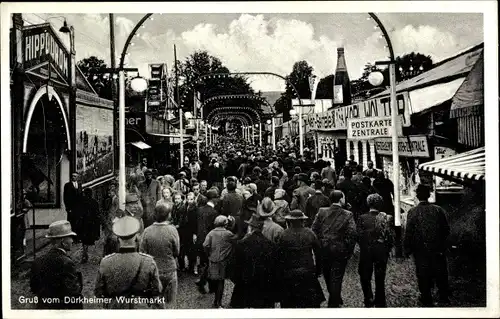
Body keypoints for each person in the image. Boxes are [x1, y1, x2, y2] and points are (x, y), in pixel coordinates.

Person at [95, 216, 163, 309]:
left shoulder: (106, 262)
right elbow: (156, 291)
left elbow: (98, 292)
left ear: (118, 239)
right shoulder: (148, 261)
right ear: (136, 238)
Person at [404, 184, 451, 307]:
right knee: (440, 272)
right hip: (437, 248)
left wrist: (407, 248)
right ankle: (443, 297)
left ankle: (426, 297)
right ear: (429, 195)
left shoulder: (412, 212)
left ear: (417, 196)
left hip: (420, 249)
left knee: (423, 273)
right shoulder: (438, 210)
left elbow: (409, 232)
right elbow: (446, 229)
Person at [311, 190, 357, 308]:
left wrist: (319, 245)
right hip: (339, 249)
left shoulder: (322, 211)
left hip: (324, 249)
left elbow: (314, 229)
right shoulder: (348, 214)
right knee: (337, 277)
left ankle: (334, 296)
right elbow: (352, 234)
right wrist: (348, 250)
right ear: (341, 199)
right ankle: (334, 303)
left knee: (327, 275)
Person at [277, 210, 325, 308]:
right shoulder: (310, 233)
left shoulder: (284, 234)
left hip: (289, 271)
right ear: (302, 220)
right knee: (310, 302)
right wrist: (318, 270)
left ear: (289, 221)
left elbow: (279, 255)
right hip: (307, 270)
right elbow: (318, 253)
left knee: (289, 303)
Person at [30, 220, 83, 309]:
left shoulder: (38, 261)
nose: (72, 241)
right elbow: (73, 295)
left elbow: (34, 288)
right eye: (70, 237)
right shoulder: (66, 263)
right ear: (63, 241)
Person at [229, 214, 278, 308]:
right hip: (264, 289)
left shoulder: (241, 244)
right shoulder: (271, 245)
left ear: (250, 228)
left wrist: (238, 281)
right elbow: (275, 269)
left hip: (244, 288)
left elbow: (233, 268)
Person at [357, 194, 394, 307]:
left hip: (366, 251)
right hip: (381, 251)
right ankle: (380, 300)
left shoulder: (362, 218)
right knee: (380, 277)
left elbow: (358, 235)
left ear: (369, 203)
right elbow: (390, 236)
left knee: (365, 276)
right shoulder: (386, 218)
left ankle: (368, 297)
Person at [140, 204, 180, 309]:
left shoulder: (147, 231)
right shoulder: (172, 230)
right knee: (170, 302)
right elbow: (177, 251)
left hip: (153, 271)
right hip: (169, 269)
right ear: (168, 216)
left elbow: (142, 253)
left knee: (156, 303)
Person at [203, 215, 236, 308]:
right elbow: (234, 245)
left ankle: (213, 295)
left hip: (213, 259)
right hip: (223, 261)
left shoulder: (211, 233)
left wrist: (208, 254)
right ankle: (218, 302)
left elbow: (205, 245)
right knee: (221, 282)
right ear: (225, 224)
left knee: (214, 279)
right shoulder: (229, 234)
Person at [195, 189, 220, 294]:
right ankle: (205, 283)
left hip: (199, 239)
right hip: (209, 240)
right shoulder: (214, 212)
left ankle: (203, 281)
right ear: (214, 199)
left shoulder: (199, 209)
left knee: (205, 262)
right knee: (211, 263)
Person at [76, 188, 101, 263]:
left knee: (84, 241)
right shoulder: (94, 202)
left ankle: (84, 255)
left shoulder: (81, 202)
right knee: (92, 240)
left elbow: (79, 213)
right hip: (92, 224)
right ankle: (94, 257)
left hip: (84, 224)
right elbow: (97, 214)